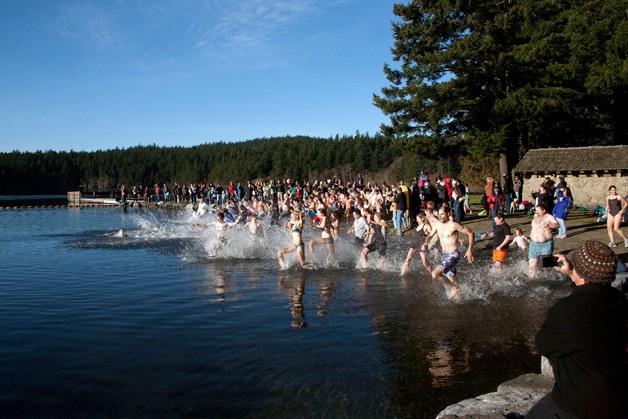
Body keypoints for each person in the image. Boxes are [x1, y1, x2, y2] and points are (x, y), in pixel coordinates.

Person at [527, 241, 628, 418]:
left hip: (580, 403)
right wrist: (574, 275)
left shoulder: (567, 309)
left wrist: (575, 276)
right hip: (619, 393)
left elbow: (543, 345)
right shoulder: (620, 300)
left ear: (579, 270)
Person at [421, 205, 475, 299]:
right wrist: (426, 243)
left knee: (435, 274)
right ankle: (463, 300)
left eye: (442, 214)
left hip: (453, 254)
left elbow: (471, 233)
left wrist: (469, 250)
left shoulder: (453, 225)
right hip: (445, 255)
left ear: (448, 213)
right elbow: (429, 235)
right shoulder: (438, 225)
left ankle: (454, 288)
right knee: (452, 279)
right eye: (439, 214)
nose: (440, 216)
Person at [528, 204, 559, 279]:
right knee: (532, 263)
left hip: (546, 244)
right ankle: (531, 280)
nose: (536, 211)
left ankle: (550, 279)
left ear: (544, 210)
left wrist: (549, 225)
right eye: (536, 210)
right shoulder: (535, 216)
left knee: (547, 265)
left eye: (538, 210)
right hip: (533, 244)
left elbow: (557, 225)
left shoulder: (549, 217)